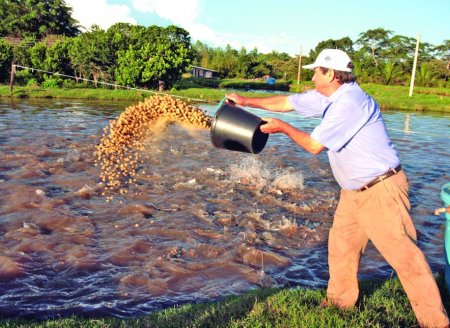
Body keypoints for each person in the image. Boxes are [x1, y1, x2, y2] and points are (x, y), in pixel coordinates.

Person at [225, 48, 449, 328]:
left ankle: (435, 322)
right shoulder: (331, 96)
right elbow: (287, 101)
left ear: (330, 74)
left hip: (380, 190)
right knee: (342, 247)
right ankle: (340, 303)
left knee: (405, 257)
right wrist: (245, 100)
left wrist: (283, 129)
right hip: (353, 192)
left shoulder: (349, 103)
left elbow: (314, 146)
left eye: (316, 71)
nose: (313, 75)